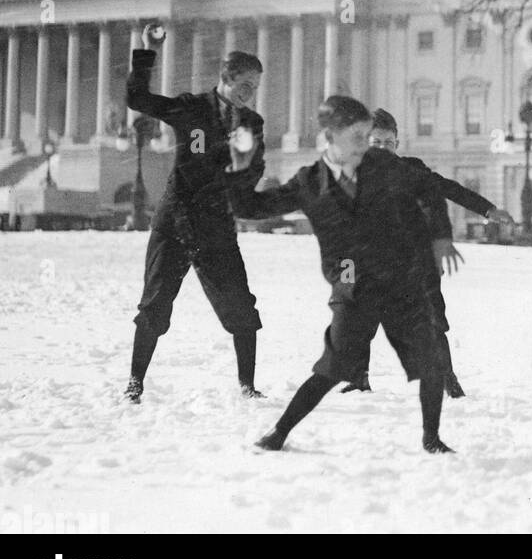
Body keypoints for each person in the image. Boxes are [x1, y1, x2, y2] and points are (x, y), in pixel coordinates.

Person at [227, 95, 460, 454]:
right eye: (356, 137)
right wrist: (242, 169)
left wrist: (441, 235)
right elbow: (250, 207)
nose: (365, 145)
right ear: (329, 137)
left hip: (400, 281)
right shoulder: (308, 182)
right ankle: (278, 433)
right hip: (352, 286)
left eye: (368, 136)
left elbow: (429, 187)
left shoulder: (382, 164)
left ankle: (432, 439)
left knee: (431, 363)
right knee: (332, 369)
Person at [123, 25, 266, 402]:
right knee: (154, 305)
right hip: (175, 222)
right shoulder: (191, 108)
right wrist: (147, 51)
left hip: (216, 227)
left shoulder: (252, 124)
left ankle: (248, 386)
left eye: (255, 86)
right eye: (246, 84)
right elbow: (138, 98)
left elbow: (253, 174)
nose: (250, 93)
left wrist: (241, 166)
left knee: (241, 307)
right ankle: (135, 382)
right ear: (226, 78)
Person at [336, 107, 514, 397]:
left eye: (387, 143)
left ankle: (448, 380)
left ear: (397, 145)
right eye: (375, 142)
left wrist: (489, 209)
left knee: (432, 320)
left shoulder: (411, 170)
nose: (381, 148)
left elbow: (449, 189)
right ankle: (358, 378)